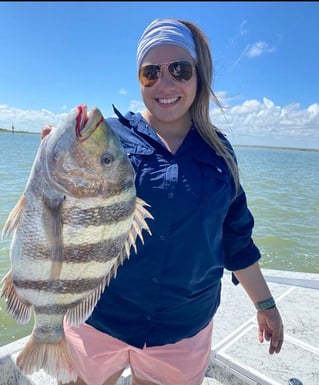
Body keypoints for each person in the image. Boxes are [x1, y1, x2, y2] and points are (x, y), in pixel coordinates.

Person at [43, 17, 284, 385]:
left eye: (179, 70)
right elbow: (63, 212)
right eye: (150, 73)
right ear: (139, 79)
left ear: (199, 75)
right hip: (97, 318)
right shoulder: (107, 138)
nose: (165, 84)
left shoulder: (220, 154)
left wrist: (265, 305)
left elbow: (237, 240)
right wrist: (55, 158)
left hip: (182, 328)